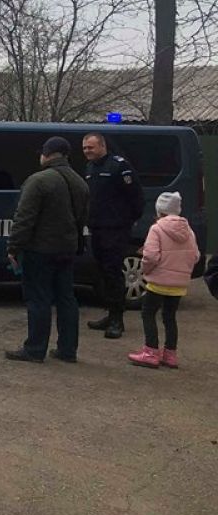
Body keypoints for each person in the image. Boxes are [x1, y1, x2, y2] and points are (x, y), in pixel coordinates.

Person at [4, 136, 90, 363]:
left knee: (38, 299)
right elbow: (82, 218)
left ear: (47, 153)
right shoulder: (80, 182)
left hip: (40, 250)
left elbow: (24, 218)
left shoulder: (38, 181)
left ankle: (35, 349)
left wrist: (13, 247)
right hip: (67, 248)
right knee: (66, 298)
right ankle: (67, 350)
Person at [82, 132, 143, 338]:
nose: (87, 151)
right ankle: (110, 314)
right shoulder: (90, 168)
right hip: (97, 228)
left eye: (90, 147)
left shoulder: (119, 166)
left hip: (115, 229)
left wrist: (127, 220)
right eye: (85, 148)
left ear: (102, 146)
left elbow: (135, 196)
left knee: (114, 272)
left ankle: (118, 320)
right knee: (102, 272)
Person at [128, 192, 199, 369]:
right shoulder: (188, 230)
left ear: (159, 210)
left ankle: (151, 351)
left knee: (148, 313)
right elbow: (196, 255)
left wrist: (145, 270)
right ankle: (170, 354)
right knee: (169, 317)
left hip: (158, 282)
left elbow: (151, 256)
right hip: (178, 284)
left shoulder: (156, 229)